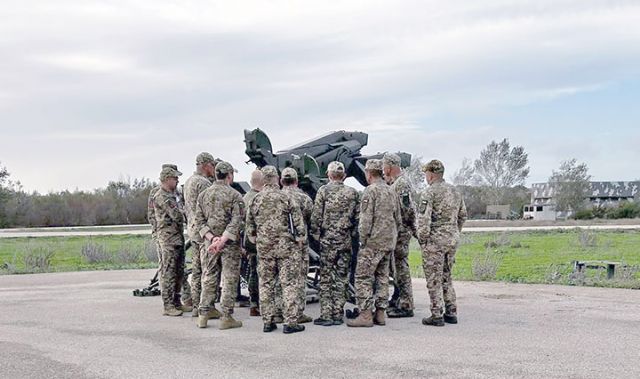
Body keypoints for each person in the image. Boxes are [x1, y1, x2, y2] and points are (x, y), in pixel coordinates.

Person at [245, 166, 307, 334]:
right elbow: (299, 226)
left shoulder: (255, 200)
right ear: (277, 179)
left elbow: (250, 230)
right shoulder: (286, 198)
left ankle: (268, 321)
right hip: (286, 249)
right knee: (289, 283)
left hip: (265, 249)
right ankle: (290, 322)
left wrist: (259, 240)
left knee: (265, 283)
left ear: (264, 179)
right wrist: (300, 241)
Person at [347, 159, 401, 327]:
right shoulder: (392, 191)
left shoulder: (370, 191)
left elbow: (365, 220)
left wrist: (362, 240)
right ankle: (380, 314)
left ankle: (365, 315)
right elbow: (398, 218)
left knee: (363, 277)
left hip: (372, 243)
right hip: (387, 243)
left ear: (369, 173)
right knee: (383, 277)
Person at [193, 161, 244, 330]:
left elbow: (198, 221)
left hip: (210, 244)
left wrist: (212, 238)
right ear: (229, 175)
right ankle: (227, 317)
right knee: (229, 278)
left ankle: (203, 315)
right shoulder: (235, 195)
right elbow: (236, 221)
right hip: (229, 244)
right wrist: (222, 240)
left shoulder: (203, 195)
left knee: (208, 277)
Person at [417, 159, 467, 326]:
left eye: (426, 174)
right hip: (451, 239)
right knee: (447, 275)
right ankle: (451, 311)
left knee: (433, 278)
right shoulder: (455, 191)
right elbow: (463, 216)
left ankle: (436, 314)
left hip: (435, 241)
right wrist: (454, 232)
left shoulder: (429, 192)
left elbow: (424, 220)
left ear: (431, 174)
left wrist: (423, 240)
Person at [310, 161, 359, 326]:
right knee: (341, 278)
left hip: (328, 242)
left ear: (328, 175)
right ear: (343, 175)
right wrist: (351, 234)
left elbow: (316, 216)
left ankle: (326, 314)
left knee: (326, 278)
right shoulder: (352, 193)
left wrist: (316, 235)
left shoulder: (323, 191)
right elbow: (357, 218)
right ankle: (338, 313)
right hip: (344, 241)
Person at [183, 152, 220, 318]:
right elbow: (209, 211)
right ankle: (207, 307)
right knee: (208, 271)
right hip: (204, 233)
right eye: (212, 165)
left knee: (197, 271)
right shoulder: (204, 184)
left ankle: (197, 306)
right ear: (206, 165)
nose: (214, 169)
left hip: (193, 231)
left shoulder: (189, 181)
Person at [382, 153, 417, 318]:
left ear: (389, 167)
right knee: (395, 268)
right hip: (396, 232)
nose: (383, 170)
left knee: (401, 268)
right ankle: (397, 299)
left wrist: (406, 229)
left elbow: (408, 210)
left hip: (401, 233)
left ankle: (406, 304)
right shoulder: (395, 184)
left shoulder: (401, 184)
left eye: (384, 167)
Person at [280, 167, 314, 324]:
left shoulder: (277, 197)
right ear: (296, 181)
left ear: (281, 181)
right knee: (299, 279)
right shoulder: (304, 198)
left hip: (278, 245)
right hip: (298, 245)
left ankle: (278, 311)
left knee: (279, 279)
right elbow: (310, 220)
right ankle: (297, 313)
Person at [152, 165, 186, 316]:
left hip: (177, 237)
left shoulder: (173, 194)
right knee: (168, 271)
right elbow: (177, 215)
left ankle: (177, 301)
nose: (178, 180)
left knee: (179, 271)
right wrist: (185, 212)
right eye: (175, 178)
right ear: (167, 179)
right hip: (168, 239)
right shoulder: (162, 196)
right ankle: (168, 305)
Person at [242, 169, 264, 317]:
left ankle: (254, 303)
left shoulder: (245, 198)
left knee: (252, 272)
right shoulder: (259, 199)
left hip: (249, 241)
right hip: (260, 240)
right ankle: (259, 303)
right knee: (260, 273)